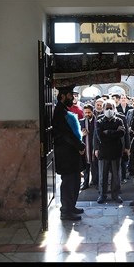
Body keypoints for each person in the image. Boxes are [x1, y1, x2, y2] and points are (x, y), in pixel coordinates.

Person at [52, 84, 86, 221]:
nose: (72, 98)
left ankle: (71, 206)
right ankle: (66, 211)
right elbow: (66, 134)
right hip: (66, 154)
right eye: (71, 95)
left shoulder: (63, 109)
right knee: (68, 182)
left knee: (75, 180)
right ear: (64, 96)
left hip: (71, 153)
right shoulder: (59, 111)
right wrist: (79, 145)